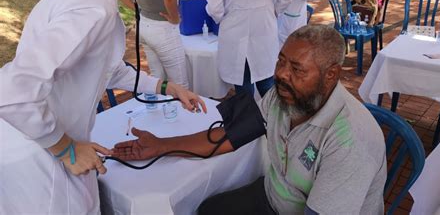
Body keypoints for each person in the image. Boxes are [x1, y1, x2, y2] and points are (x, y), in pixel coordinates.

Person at [0, 0, 206, 214]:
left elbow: (107, 72)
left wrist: (167, 88)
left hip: (50, 142)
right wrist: (66, 148)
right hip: (39, 154)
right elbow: (13, 93)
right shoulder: (93, 7)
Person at [112, 25, 387, 215]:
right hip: (273, 198)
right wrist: (161, 145)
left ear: (331, 75)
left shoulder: (350, 140)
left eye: (296, 69)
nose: (281, 74)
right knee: (207, 210)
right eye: (281, 61)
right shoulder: (283, 97)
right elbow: (230, 135)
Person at [118, 0, 189, 89]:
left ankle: (161, 108)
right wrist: (174, 18)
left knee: (158, 80)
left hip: (145, 23)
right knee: (180, 85)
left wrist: (137, 9)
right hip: (162, 28)